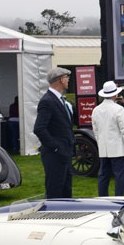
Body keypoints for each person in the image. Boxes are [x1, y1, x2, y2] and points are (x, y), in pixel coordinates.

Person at [33, 66, 74, 198]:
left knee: (66, 190)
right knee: (55, 191)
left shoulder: (58, 100)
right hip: (55, 155)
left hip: (64, 153)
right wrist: (56, 147)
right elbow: (39, 128)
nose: (68, 81)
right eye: (67, 78)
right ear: (61, 80)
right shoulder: (48, 101)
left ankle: (65, 217)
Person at [91, 80, 124, 196]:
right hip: (118, 149)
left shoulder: (96, 110)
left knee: (103, 176)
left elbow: (96, 131)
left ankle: (102, 198)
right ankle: (119, 199)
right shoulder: (118, 109)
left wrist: (100, 143)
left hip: (104, 149)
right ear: (115, 94)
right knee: (119, 176)